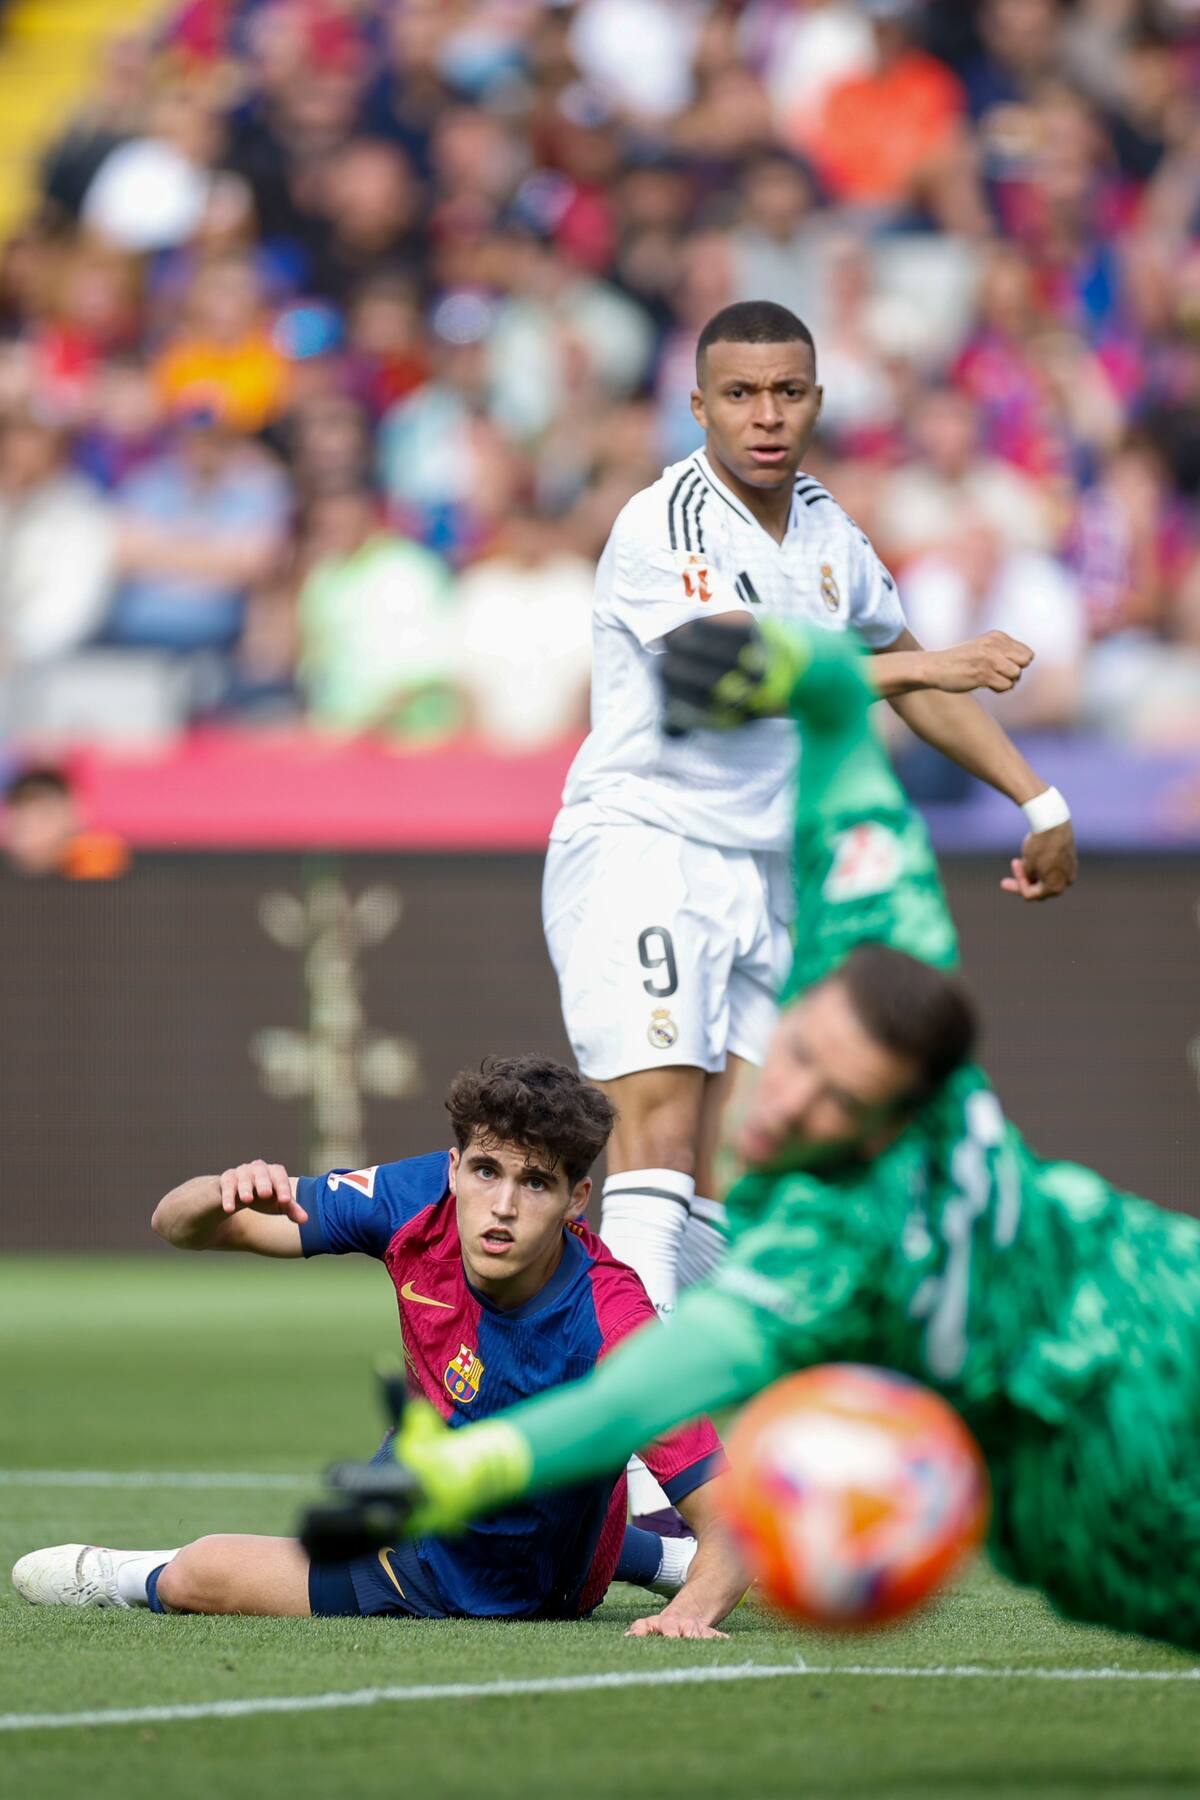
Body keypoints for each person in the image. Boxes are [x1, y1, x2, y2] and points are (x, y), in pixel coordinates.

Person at [344, 620, 1200, 1654]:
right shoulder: (888, 954)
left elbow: (636, 1400)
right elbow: (846, 734)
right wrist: (797, 670)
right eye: (798, 1057)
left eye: (837, 1103)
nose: (789, 1102)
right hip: (1144, 1325)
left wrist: (478, 1467)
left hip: (1103, 1455)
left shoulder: (828, 1247)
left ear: (889, 1124)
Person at [542, 293, 1076, 1538]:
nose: (766, 415)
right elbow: (727, 679)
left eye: (787, 392)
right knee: (656, 1126)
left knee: (759, 1159)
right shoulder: (664, 521)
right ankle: (644, 1456)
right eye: (741, 394)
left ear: (819, 398)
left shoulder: (833, 533)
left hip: (765, 869)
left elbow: (911, 671)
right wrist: (924, 666)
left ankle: (716, 1409)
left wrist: (1037, 797)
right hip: (647, 844)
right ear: (701, 406)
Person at [13, 1057, 742, 1637]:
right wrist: (220, 1191)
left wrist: (690, 1615)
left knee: (201, 1574)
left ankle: (119, 1574)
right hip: (422, 1471)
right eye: (485, 1171)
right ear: (454, 1169)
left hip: (501, 1580)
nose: (505, 1206)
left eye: (537, 1183)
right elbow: (180, 1225)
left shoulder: (618, 1322)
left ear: (577, 1200)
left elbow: (732, 1522)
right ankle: (656, 1557)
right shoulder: (413, 1198)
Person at [2, 765, 129, 880]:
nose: (32, 830)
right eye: (23, 820)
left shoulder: (101, 868)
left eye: (44, 815)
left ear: (75, 814)